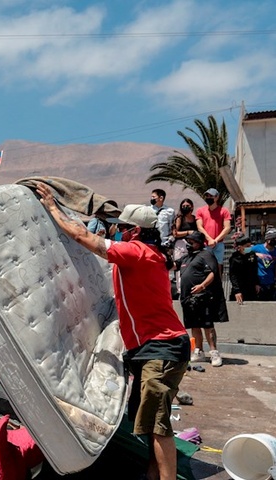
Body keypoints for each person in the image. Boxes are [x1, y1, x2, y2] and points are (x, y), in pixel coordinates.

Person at [36, 185, 189, 480]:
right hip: (152, 348)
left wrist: (53, 208)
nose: (117, 232)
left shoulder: (137, 253)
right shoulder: (143, 254)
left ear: (134, 231)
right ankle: (152, 474)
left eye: (122, 228)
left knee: (158, 425)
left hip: (161, 348)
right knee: (148, 422)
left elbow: (83, 238)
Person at [176, 232, 228, 367]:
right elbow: (172, 265)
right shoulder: (186, 258)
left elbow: (213, 272)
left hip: (203, 297)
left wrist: (202, 285)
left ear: (199, 243)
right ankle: (198, 351)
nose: (188, 244)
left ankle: (214, 352)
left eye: (191, 241)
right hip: (189, 298)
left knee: (207, 325)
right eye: (187, 241)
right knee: (194, 325)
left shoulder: (206, 255)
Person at [195, 188, 232, 274]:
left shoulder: (224, 211)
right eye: (207, 196)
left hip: (218, 244)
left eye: (211, 196)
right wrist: (209, 239)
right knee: (205, 266)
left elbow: (227, 228)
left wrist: (215, 240)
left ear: (216, 197)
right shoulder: (200, 211)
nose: (208, 197)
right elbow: (199, 227)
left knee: (219, 266)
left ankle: (218, 285)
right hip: (205, 243)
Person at [228, 234, 259, 304]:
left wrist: (257, 283)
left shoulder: (252, 255)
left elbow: (255, 270)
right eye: (247, 246)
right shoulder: (234, 258)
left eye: (250, 245)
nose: (249, 247)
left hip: (251, 288)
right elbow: (233, 275)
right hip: (240, 288)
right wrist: (237, 291)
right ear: (240, 247)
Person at [250, 228, 276, 301]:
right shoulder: (257, 248)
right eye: (273, 239)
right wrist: (256, 254)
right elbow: (244, 251)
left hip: (271, 283)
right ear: (268, 240)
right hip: (259, 283)